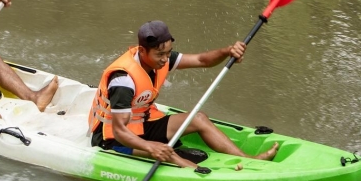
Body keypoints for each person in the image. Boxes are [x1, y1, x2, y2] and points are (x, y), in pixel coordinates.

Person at [87, 20, 279, 167]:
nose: (165, 59)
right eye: (159, 55)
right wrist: (151, 147)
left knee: (199, 118)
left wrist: (227, 51)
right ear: (143, 51)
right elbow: (120, 131)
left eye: (167, 53)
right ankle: (192, 170)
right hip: (111, 138)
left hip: (143, 122)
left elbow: (202, 60)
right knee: (170, 155)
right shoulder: (123, 80)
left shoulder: (163, 57)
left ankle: (248, 160)